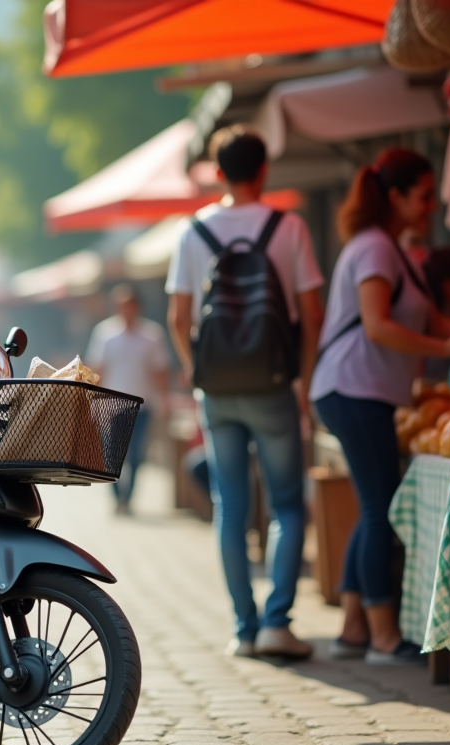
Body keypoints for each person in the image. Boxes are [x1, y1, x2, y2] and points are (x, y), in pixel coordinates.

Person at [310, 148, 450, 665]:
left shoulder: (390, 249)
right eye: (423, 196)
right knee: (380, 509)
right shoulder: (375, 249)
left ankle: (356, 630)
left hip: (359, 390)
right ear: (394, 197)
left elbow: (425, 318)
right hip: (355, 389)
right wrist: (448, 350)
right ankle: (381, 637)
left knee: (373, 507)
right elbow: (378, 325)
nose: (430, 205)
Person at [166, 126, 324, 660]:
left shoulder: (194, 231)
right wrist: (301, 380)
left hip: (218, 389)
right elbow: (312, 314)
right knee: (286, 505)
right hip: (274, 384)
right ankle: (279, 620)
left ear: (217, 172)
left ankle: (244, 628)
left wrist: (197, 372)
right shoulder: (288, 227)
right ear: (263, 171)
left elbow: (178, 318)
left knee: (229, 506)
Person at [86, 284, 169, 514]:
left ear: (137, 306)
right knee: (112, 454)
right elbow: (96, 369)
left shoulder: (152, 335)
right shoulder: (104, 333)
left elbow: (160, 370)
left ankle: (128, 498)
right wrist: (92, 398)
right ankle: (116, 496)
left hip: (142, 404)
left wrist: (164, 399)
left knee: (136, 454)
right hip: (111, 404)